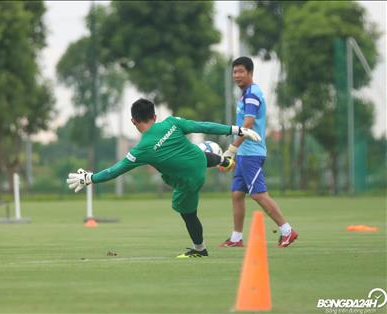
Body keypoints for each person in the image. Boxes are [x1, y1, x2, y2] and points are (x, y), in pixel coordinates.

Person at [67, 98, 261, 258]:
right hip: (199, 161)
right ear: (155, 116)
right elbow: (202, 126)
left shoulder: (140, 149)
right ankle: (221, 159)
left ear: (133, 121)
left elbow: (115, 170)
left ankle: (200, 249)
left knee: (185, 210)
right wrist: (237, 130)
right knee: (194, 153)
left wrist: (91, 178)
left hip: (188, 182)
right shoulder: (171, 122)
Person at [219, 56, 298, 248]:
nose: (236, 76)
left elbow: (248, 123)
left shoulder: (252, 94)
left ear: (250, 73)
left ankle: (287, 231)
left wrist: (232, 149)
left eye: (241, 72)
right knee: (237, 194)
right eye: (234, 72)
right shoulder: (246, 94)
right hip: (245, 153)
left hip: (251, 153)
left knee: (258, 195)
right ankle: (236, 238)